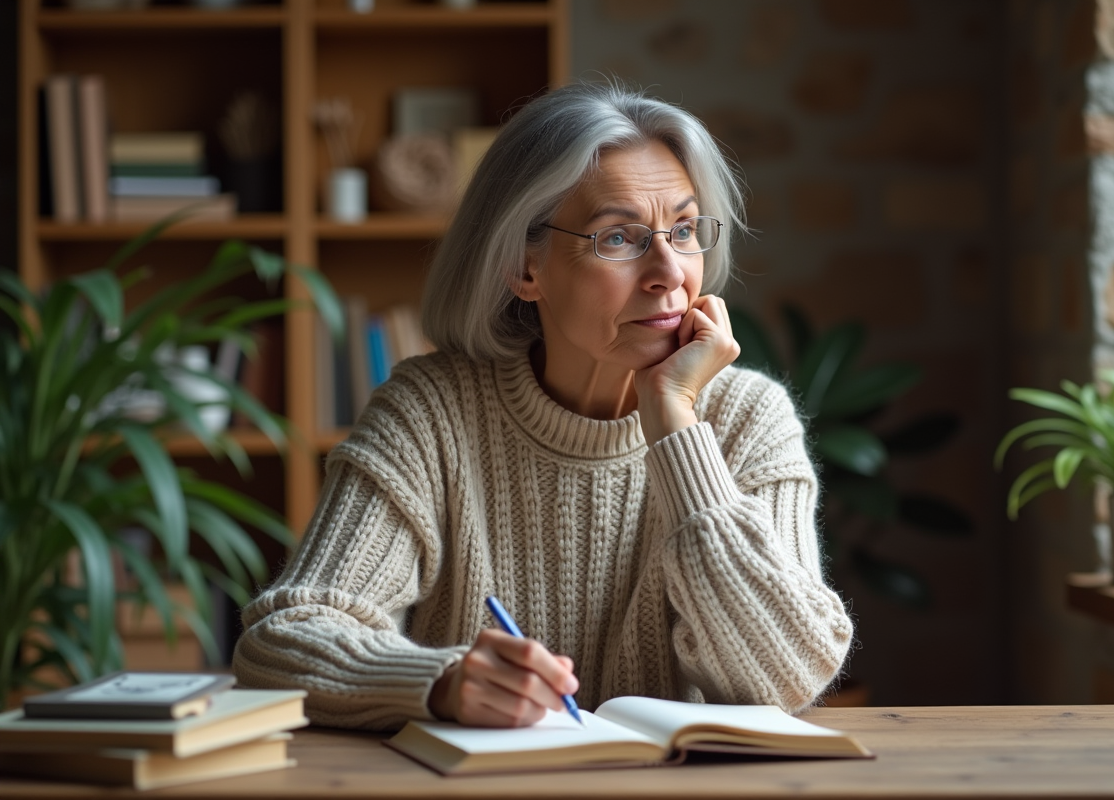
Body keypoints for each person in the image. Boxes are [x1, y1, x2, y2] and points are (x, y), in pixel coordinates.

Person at [232, 81, 853, 731]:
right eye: (619, 237)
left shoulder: (749, 419)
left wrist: (675, 422)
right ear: (525, 268)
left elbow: (787, 675)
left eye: (684, 229)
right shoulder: (430, 413)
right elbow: (282, 642)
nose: (670, 272)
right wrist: (439, 683)